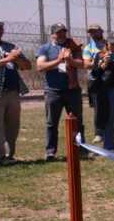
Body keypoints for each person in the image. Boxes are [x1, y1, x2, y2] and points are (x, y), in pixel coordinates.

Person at [36, 23, 85, 161]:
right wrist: (59, 60)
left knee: (77, 121)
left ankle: (80, 148)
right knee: (52, 123)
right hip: (53, 91)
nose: (62, 34)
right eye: (58, 32)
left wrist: (70, 60)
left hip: (72, 90)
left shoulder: (73, 46)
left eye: (64, 32)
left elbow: (82, 64)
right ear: (52, 34)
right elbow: (40, 66)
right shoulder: (45, 48)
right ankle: (51, 151)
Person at [0, 18, 31, 166]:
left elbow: (27, 66)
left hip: (13, 91)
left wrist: (16, 59)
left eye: (0, 28)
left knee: (13, 124)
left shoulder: (11, 46)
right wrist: (7, 59)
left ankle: (9, 155)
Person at [82, 24, 108, 143]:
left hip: (109, 80)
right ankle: (99, 133)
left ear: (101, 31)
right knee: (98, 108)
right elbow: (87, 64)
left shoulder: (108, 44)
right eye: (91, 32)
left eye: (95, 31)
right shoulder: (88, 48)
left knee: (111, 106)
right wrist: (100, 61)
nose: (93, 34)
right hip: (95, 81)